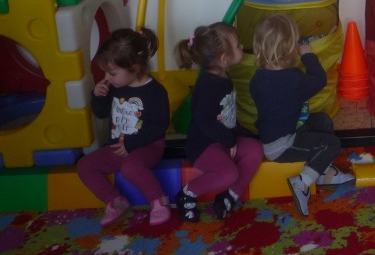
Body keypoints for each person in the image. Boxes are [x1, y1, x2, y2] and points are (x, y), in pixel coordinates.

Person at [249, 14, 354, 217]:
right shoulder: (293, 79)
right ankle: (302, 182)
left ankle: (322, 173)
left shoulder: (258, 78)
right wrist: (307, 55)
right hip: (282, 146)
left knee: (322, 121)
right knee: (331, 144)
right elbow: (319, 79)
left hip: (282, 133)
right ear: (291, 48)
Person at [77, 28, 171, 226]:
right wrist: (98, 97)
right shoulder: (114, 86)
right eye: (106, 72)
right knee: (85, 165)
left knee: (131, 167)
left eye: (112, 73)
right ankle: (115, 201)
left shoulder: (155, 92)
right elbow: (102, 113)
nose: (107, 77)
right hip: (117, 148)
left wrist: (131, 144)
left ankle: (159, 201)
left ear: (135, 69)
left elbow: (159, 127)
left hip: (148, 146)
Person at [174, 22, 263, 221]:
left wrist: (243, 135)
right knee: (228, 173)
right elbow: (204, 120)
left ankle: (230, 195)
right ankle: (187, 193)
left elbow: (226, 114)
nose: (242, 47)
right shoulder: (209, 85)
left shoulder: (222, 75)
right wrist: (229, 140)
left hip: (224, 138)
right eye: (238, 46)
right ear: (224, 58)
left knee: (255, 149)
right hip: (204, 145)